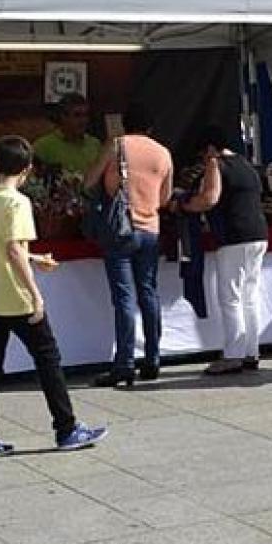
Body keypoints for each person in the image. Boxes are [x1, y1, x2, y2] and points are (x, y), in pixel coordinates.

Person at [0, 136, 106, 460]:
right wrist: (35, 293)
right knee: (48, 359)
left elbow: (4, 248)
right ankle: (66, 427)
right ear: (28, 169)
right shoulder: (17, 203)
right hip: (16, 296)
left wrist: (34, 257)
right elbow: (13, 249)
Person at [84, 102, 173, 388]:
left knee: (124, 298)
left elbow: (89, 181)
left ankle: (124, 364)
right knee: (149, 293)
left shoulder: (117, 145)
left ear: (124, 124)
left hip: (121, 230)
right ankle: (153, 357)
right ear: (151, 127)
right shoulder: (164, 153)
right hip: (151, 230)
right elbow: (164, 199)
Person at [180, 125, 267, 376]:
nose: (203, 160)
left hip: (234, 236)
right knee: (250, 296)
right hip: (258, 235)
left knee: (230, 298)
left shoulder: (216, 164)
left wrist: (185, 205)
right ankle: (251, 351)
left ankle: (233, 355)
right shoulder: (245, 164)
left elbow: (209, 198)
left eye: (203, 154)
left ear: (210, 149)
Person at [32, 93, 103, 177]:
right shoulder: (43, 146)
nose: (83, 121)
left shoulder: (95, 144)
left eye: (85, 115)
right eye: (77, 115)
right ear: (63, 117)